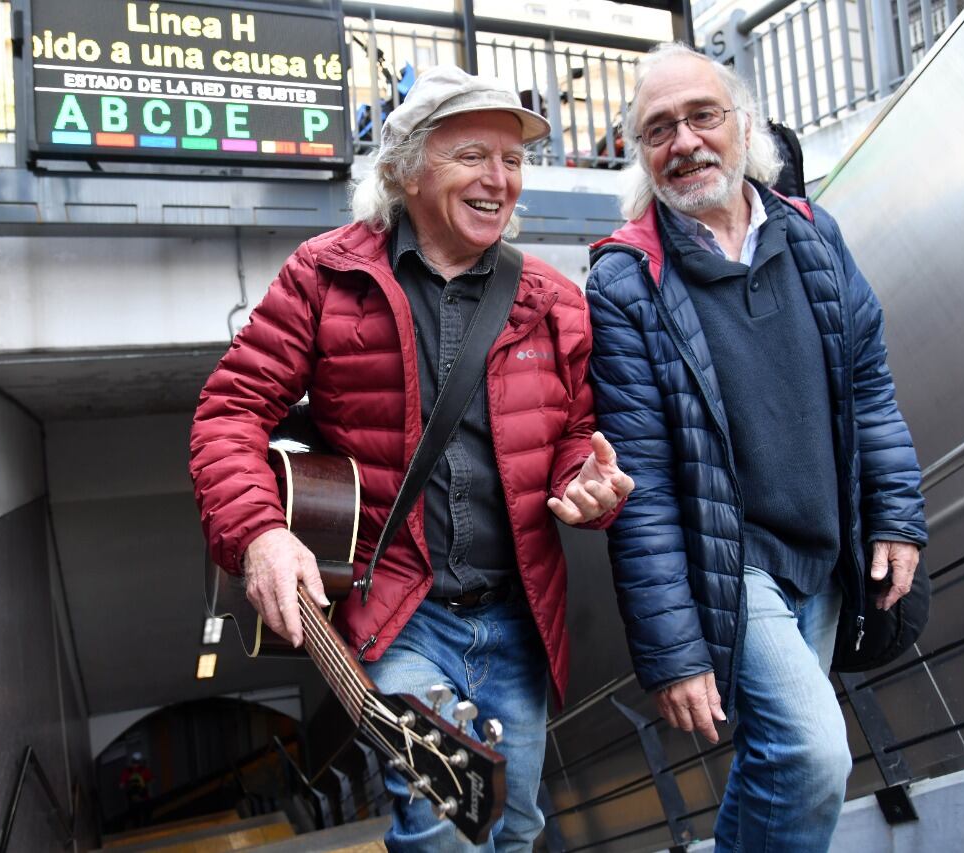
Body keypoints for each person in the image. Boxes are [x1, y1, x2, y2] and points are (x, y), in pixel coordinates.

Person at [190, 65, 633, 851]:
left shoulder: (555, 300)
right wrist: (260, 532)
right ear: (405, 170)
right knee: (439, 829)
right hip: (398, 613)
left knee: (515, 827)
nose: (500, 178)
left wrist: (586, 484)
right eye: (472, 155)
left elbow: (573, 435)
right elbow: (229, 412)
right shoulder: (324, 274)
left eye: (513, 160)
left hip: (519, 620)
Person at [585, 43, 927, 853]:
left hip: (825, 550)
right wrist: (672, 652)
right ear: (642, 151)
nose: (685, 142)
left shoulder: (812, 235)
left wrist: (896, 515)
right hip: (730, 564)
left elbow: (868, 385)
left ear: (743, 123)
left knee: (776, 757)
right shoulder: (625, 281)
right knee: (812, 751)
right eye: (659, 128)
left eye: (702, 115)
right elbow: (643, 483)